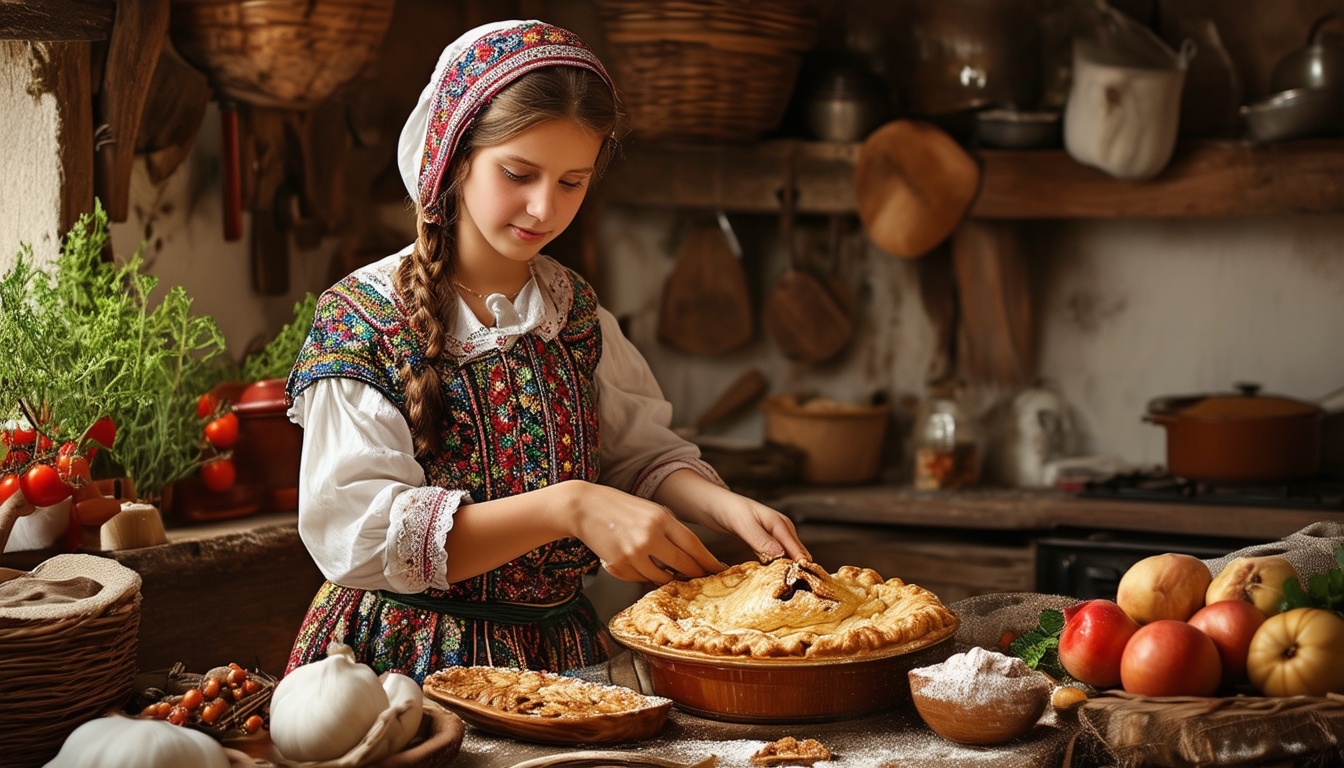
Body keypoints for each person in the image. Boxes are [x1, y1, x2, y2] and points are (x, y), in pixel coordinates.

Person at [283, 19, 810, 682]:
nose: (543, 207)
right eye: (519, 173)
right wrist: (568, 506)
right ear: (455, 157)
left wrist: (723, 508)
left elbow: (636, 454)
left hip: (563, 665)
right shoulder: (362, 322)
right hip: (406, 672)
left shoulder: (576, 315)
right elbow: (355, 537)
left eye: (572, 181)